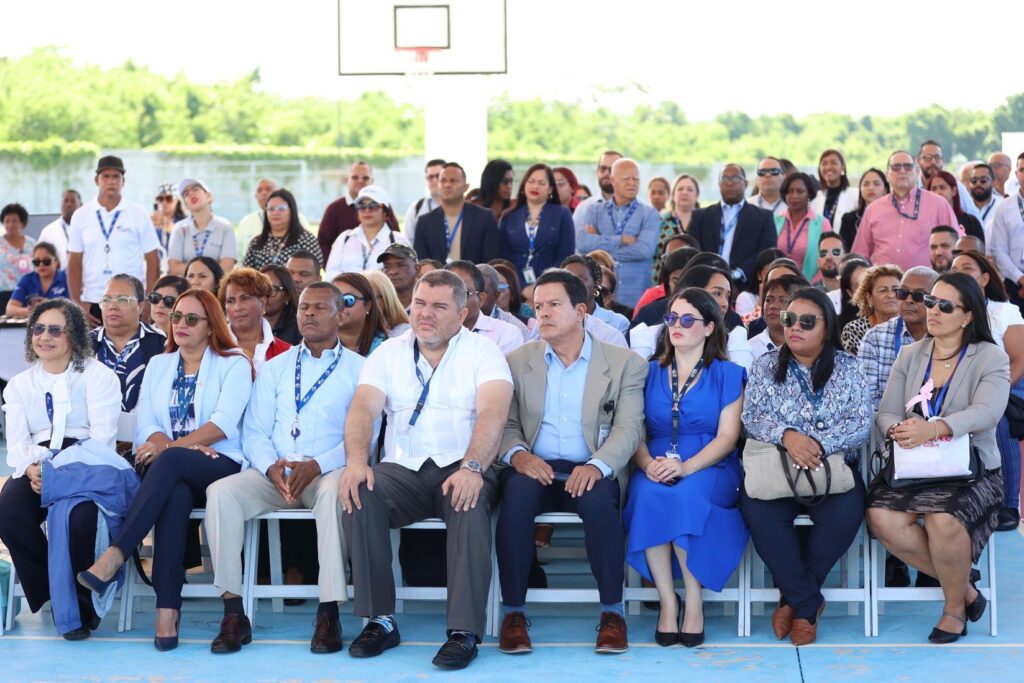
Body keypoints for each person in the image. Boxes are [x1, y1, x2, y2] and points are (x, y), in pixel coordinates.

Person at [339, 269, 514, 670]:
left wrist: (472, 467)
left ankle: (464, 631)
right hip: (404, 467)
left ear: (462, 313)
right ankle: (380, 619)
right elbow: (363, 408)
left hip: (463, 464)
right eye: (419, 303)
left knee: (468, 502)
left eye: (438, 306)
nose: (425, 313)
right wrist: (356, 462)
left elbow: (494, 412)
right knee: (359, 492)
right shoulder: (388, 353)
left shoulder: (483, 352)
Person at [77, 289, 254, 651]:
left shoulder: (234, 363)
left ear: (211, 325)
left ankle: (115, 555)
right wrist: (172, 448)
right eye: (176, 317)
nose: (181, 324)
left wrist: (171, 448)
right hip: (171, 470)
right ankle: (167, 612)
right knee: (174, 494)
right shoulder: (159, 364)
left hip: (221, 463)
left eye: (192, 319)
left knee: (170, 462)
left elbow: (222, 424)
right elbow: (147, 423)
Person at [204, 282, 364, 655]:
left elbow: (364, 439)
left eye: (320, 307)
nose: (309, 314)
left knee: (334, 495)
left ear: (341, 315)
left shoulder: (361, 369)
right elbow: (254, 431)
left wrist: (318, 464)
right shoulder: (277, 367)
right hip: (275, 473)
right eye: (304, 307)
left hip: (326, 472)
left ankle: (328, 613)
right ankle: (233, 612)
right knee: (221, 493)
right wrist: (269, 466)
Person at [495, 268, 646, 655]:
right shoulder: (516, 361)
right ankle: (513, 613)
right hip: (536, 466)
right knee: (516, 499)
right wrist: (519, 455)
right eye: (537, 306)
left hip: (592, 466)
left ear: (581, 311)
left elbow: (629, 428)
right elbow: (505, 423)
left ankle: (612, 612)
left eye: (553, 305)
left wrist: (597, 465)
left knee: (598, 504)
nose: (543, 313)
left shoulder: (624, 363)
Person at [867, 273, 1008, 644]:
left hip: (971, 470)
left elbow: (988, 412)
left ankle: (954, 609)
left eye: (945, 305)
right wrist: (898, 429)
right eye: (931, 301)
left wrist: (935, 428)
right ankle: (967, 590)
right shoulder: (910, 354)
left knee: (943, 519)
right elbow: (886, 412)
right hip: (914, 466)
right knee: (880, 517)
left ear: (967, 315)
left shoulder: (990, 356)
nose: (932, 310)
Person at [741, 287, 871, 646]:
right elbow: (751, 417)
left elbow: (861, 423)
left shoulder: (849, 367)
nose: (794, 327)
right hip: (776, 466)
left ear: (827, 328)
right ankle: (808, 603)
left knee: (844, 515)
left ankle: (794, 601)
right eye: (789, 319)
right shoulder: (765, 365)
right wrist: (788, 437)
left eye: (807, 321)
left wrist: (819, 445)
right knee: (761, 514)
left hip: (832, 467)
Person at [624, 286, 748, 647]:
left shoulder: (728, 374)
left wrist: (686, 467)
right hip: (654, 461)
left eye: (688, 320)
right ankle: (667, 600)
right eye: (672, 318)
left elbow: (728, 437)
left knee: (685, 495)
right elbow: (633, 429)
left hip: (711, 463)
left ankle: (693, 600)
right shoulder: (647, 372)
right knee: (647, 494)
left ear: (709, 327)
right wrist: (647, 463)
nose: (677, 326)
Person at [0, 299, 122, 640]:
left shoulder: (98, 376)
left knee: (80, 518)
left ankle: (81, 607)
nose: (45, 337)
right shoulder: (20, 384)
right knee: (8, 511)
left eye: (55, 330)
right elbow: (17, 444)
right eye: (38, 329)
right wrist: (31, 469)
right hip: (38, 462)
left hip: (85, 462)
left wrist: (60, 476)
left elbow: (101, 441)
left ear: (75, 335)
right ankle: (57, 593)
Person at [950, 251, 1024, 531]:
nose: (960, 272)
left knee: (999, 422)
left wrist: (994, 395)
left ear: (984, 278)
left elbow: (1019, 359)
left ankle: (1009, 504)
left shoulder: (1004, 311)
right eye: (955, 268)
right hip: (963, 388)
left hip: (1008, 385)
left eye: (967, 268)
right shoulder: (948, 311)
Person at [68, 156, 161, 327]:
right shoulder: (81, 215)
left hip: (131, 300)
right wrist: (77, 303)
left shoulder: (138, 213)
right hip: (93, 301)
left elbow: (153, 258)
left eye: (116, 176)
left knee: (133, 344)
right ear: (96, 180)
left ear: (123, 181)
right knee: (93, 345)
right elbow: (74, 261)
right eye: (106, 176)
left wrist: (149, 300)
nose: (111, 181)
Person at [92, 273, 169, 453]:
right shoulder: (84, 345)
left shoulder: (162, 344)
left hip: (146, 442)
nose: (112, 306)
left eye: (122, 300)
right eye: (106, 300)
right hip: (93, 441)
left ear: (141, 306)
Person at [852, 151, 960, 271]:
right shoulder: (873, 209)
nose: (902, 171)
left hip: (926, 280)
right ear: (887, 175)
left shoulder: (938, 204)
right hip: (883, 280)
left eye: (908, 166)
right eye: (896, 167)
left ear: (917, 172)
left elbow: (957, 247)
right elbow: (860, 255)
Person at [576, 158, 660, 308]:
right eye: (626, 179)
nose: (632, 183)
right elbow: (583, 244)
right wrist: (621, 240)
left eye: (636, 179)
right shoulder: (594, 210)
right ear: (612, 180)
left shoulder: (649, 214)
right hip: (600, 295)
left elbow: (644, 250)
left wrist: (600, 251)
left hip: (635, 296)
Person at [858, 266, 938, 411]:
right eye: (903, 293)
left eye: (918, 295)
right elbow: (865, 399)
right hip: (886, 421)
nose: (909, 300)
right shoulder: (875, 338)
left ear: (936, 300)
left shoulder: (947, 337)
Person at [688, 164, 778, 291]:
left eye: (735, 178)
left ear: (745, 184)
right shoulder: (700, 216)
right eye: (725, 178)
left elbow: (766, 252)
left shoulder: (763, 217)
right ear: (719, 184)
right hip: (704, 285)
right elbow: (693, 250)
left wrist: (738, 274)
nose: (729, 183)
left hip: (746, 286)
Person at [498, 163, 575, 285]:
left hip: (552, 285)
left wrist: (543, 285)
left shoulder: (562, 214)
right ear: (524, 185)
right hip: (515, 287)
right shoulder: (509, 216)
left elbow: (566, 256)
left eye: (542, 183)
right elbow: (502, 259)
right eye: (531, 181)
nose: (535, 186)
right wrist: (522, 287)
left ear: (550, 189)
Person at [414, 163, 500, 264]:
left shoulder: (484, 217)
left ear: (465, 187)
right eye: (443, 181)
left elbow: (491, 262)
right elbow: (422, 263)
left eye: (453, 181)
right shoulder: (424, 222)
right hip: (438, 274)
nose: (447, 185)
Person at [317, 161, 397, 264]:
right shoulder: (334, 209)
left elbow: (394, 238)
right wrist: (334, 267)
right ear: (347, 180)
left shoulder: (384, 206)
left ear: (372, 181)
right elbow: (323, 243)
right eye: (355, 177)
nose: (360, 181)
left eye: (365, 178)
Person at [324, 186, 410, 280]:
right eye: (362, 206)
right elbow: (331, 273)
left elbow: (408, 274)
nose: (367, 210)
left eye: (373, 205)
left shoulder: (398, 240)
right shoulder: (344, 238)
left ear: (385, 212)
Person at [444, 260, 523, 355]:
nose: (452, 300)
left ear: (480, 299)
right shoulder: (430, 329)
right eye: (446, 293)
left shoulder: (506, 334)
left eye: (463, 294)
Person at [219, 267, 291, 370]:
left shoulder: (287, 353)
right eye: (230, 301)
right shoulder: (210, 347)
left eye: (245, 298)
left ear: (262, 302)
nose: (237, 307)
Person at [166, 178, 236, 276]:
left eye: (195, 189)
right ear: (185, 204)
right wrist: (208, 271)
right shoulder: (179, 228)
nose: (191, 194)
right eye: (186, 194)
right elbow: (174, 268)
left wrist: (192, 271)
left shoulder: (225, 227)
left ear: (208, 196)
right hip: (186, 285)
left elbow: (227, 267)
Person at [242, 189, 323, 271]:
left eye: (281, 208)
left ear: (292, 210)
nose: (275, 213)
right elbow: (246, 273)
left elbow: (314, 271)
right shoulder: (256, 243)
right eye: (271, 209)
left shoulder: (307, 240)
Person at [775, 172, 833, 281]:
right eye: (789, 191)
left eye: (800, 191)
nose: (794, 196)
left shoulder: (822, 223)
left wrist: (810, 286)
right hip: (777, 284)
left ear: (809, 194)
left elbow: (829, 260)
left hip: (810, 285)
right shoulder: (775, 221)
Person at [557, 256, 627, 346]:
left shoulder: (618, 323)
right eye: (567, 280)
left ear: (596, 284)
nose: (573, 285)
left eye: (580, 279)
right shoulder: (548, 319)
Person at [236, 178, 312, 261]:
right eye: (259, 190)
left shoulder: (299, 219)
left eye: (268, 189)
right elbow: (239, 256)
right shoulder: (246, 222)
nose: (264, 193)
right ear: (255, 196)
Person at [988, 152, 1024, 310]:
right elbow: (998, 250)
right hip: (1013, 282)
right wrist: (1020, 279)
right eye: (1022, 170)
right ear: (1016, 174)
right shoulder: (1004, 207)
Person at [841, 264, 903, 355]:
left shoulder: (912, 326)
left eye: (896, 289)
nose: (891, 295)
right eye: (883, 290)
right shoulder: (854, 330)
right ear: (869, 297)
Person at [631, 248, 697, 327]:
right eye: (675, 281)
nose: (682, 288)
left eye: (691, 282)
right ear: (667, 281)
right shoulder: (650, 313)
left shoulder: (710, 314)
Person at [750, 274, 810, 359]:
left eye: (782, 300)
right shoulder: (750, 349)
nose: (773, 306)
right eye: (768, 300)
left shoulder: (812, 347)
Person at [917, 140, 981, 220]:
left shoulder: (957, 187)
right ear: (918, 161)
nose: (933, 162)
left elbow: (976, 220)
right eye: (928, 158)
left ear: (943, 161)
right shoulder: (913, 189)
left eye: (937, 158)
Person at [331, 272, 389, 356]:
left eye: (348, 299)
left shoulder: (388, 348)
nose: (340, 306)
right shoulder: (315, 347)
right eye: (334, 300)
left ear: (368, 306)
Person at [6, 242, 69, 317]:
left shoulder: (67, 279)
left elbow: (75, 308)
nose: (41, 265)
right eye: (36, 262)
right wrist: (34, 311)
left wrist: (49, 306)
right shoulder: (27, 280)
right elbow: (10, 309)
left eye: (46, 261)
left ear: (56, 261)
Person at [925, 172, 985, 242]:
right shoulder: (924, 222)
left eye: (942, 188)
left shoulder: (970, 222)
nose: (938, 192)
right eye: (934, 189)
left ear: (954, 191)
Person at [573, 151, 623, 234]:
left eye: (612, 169)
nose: (607, 173)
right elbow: (575, 241)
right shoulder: (583, 209)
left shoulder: (640, 209)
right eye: (603, 169)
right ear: (597, 172)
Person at [839, 168, 889, 248]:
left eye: (876, 184)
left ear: (885, 190)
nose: (871, 188)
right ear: (860, 189)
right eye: (866, 184)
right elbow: (843, 250)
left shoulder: (893, 217)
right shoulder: (848, 219)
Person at [478, 263, 530, 340]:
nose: (478, 297)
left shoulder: (518, 329)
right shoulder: (461, 322)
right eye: (468, 292)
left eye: (501, 287)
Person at [811, 149, 859, 228]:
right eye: (824, 163)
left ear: (842, 168)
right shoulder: (815, 198)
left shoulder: (856, 195)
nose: (828, 167)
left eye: (833, 163)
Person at [403, 159, 445, 245]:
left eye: (438, 176)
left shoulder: (459, 207)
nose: (434, 180)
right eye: (430, 177)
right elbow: (408, 242)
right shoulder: (416, 208)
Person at [0, 203, 37, 299]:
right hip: (3, 294)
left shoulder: (32, 243)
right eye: (7, 221)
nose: (10, 224)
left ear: (22, 223)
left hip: (28, 292)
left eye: (14, 221)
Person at [37, 189, 82, 265]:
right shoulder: (48, 231)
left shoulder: (89, 229)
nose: (68, 204)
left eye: (73, 201)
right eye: (65, 201)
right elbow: (38, 258)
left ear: (81, 205)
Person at [362, 269, 411, 337]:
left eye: (369, 298)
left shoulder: (405, 334)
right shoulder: (349, 332)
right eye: (355, 298)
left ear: (386, 299)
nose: (362, 303)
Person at [260, 265, 301, 344]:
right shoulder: (245, 323)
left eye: (272, 290)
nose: (265, 295)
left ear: (287, 296)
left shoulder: (298, 329)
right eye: (261, 288)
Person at [472, 159, 515, 224]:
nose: (509, 186)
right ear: (491, 182)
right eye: (505, 181)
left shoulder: (514, 208)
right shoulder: (474, 208)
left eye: (511, 181)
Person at [376, 243, 418, 310]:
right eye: (386, 266)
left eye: (401, 265)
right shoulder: (376, 307)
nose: (392, 272)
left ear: (417, 269)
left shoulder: (429, 302)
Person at [835, 257, 871, 333]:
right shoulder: (847, 327)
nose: (867, 288)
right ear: (850, 293)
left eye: (868, 281)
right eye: (859, 286)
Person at [966, 164, 1000, 240]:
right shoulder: (964, 206)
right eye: (974, 181)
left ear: (993, 182)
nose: (978, 184)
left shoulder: (1002, 206)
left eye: (983, 180)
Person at [151, 183, 186, 255]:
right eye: (160, 199)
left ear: (177, 200)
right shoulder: (152, 222)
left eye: (169, 198)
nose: (164, 202)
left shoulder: (186, 221)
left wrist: (172, 230)